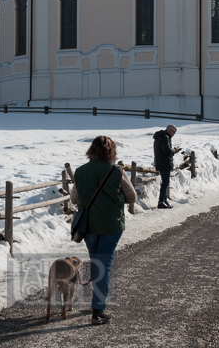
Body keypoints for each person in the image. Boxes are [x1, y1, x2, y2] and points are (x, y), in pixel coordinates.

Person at [70, 136, 137, 325]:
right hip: (111, 225)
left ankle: (96, 304)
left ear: (91, 150)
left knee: (96, 262)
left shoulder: (81, 171)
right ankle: (97, 310)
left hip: (88, 226)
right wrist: (113, 200)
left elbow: (74, 198)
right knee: (104, 265)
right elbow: (131, 197)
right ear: (111, 151)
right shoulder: (116, 171)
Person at [153, 124, 181, 209]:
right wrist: (174, 151)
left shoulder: (160, 137)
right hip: (164, 163)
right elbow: (167, 150)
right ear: (170, 130)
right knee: (165, 182)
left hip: (161, 162)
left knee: (165, 182)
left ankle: (164, 200)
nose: (174, 134)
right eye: (174, 132)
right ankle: (161, 201)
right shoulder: (165, 138)